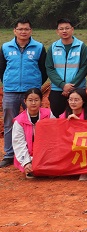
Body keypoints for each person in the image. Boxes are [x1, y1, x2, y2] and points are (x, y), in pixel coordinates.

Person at [1, 18, 47, 168]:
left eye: (26, 29)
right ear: (14, 31)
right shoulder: (5, 47)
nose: (23, 32)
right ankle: (9, 154)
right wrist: (8, 81)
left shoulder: (39, 47)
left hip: (31, 92)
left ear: (31, 31)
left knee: (36, 123)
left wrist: (35, 84)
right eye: (20, 29)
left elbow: (44, 70)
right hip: (11, 91)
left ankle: (36, 152)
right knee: (9, 123)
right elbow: (1, 69)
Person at [45, 18, 87, 118]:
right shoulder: (53, 47)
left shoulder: (81, 46)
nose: (64, 31)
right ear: (57, 31)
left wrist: (71, 86)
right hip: (58, 89)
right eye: (61, 29)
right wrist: (62, 85)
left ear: (72, 29)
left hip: (77, 89)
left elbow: (84, 67)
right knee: (57, 117)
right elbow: (49, 68)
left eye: (67, 28)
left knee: (78, 117)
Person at [12, 88, 52, 177]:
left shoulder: (49, 114)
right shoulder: (19, 121)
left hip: (46, 152)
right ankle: (30, 167)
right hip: (29, 154)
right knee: (33, 170)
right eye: (30, 100)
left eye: (36, 100)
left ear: (41, 101)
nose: (33, 103)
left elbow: (55, 136)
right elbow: (19, 143)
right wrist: (26, 163)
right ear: (25, 101)